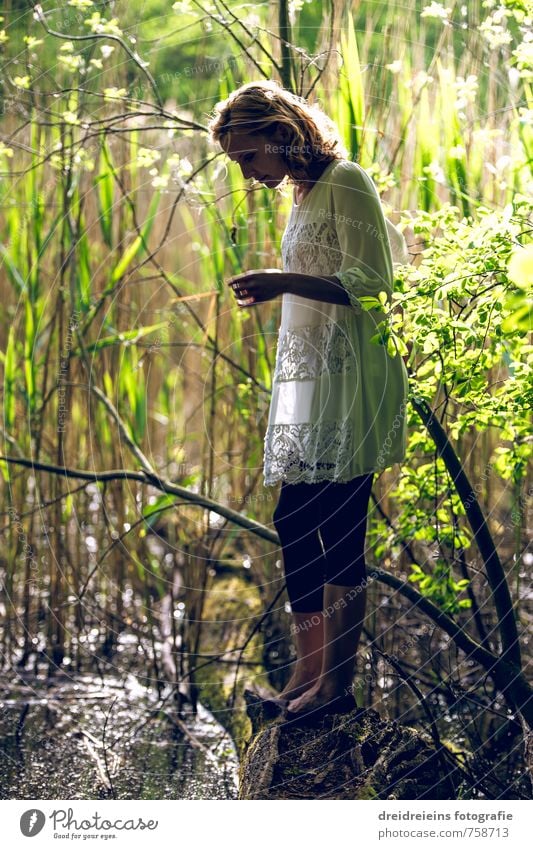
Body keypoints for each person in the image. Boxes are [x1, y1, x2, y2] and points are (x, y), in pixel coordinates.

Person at [208, 80, 409, 721]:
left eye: (248, 157)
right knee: (298, 523)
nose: (247, 172)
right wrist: (280, 287)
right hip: (311, 383)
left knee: (334, 530)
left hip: (351, 384)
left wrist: (281, 279)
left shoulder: (346, 180)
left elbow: (374, 285)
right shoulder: (302, 194)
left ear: (281, 133)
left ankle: (333, 688)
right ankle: (307, 678)